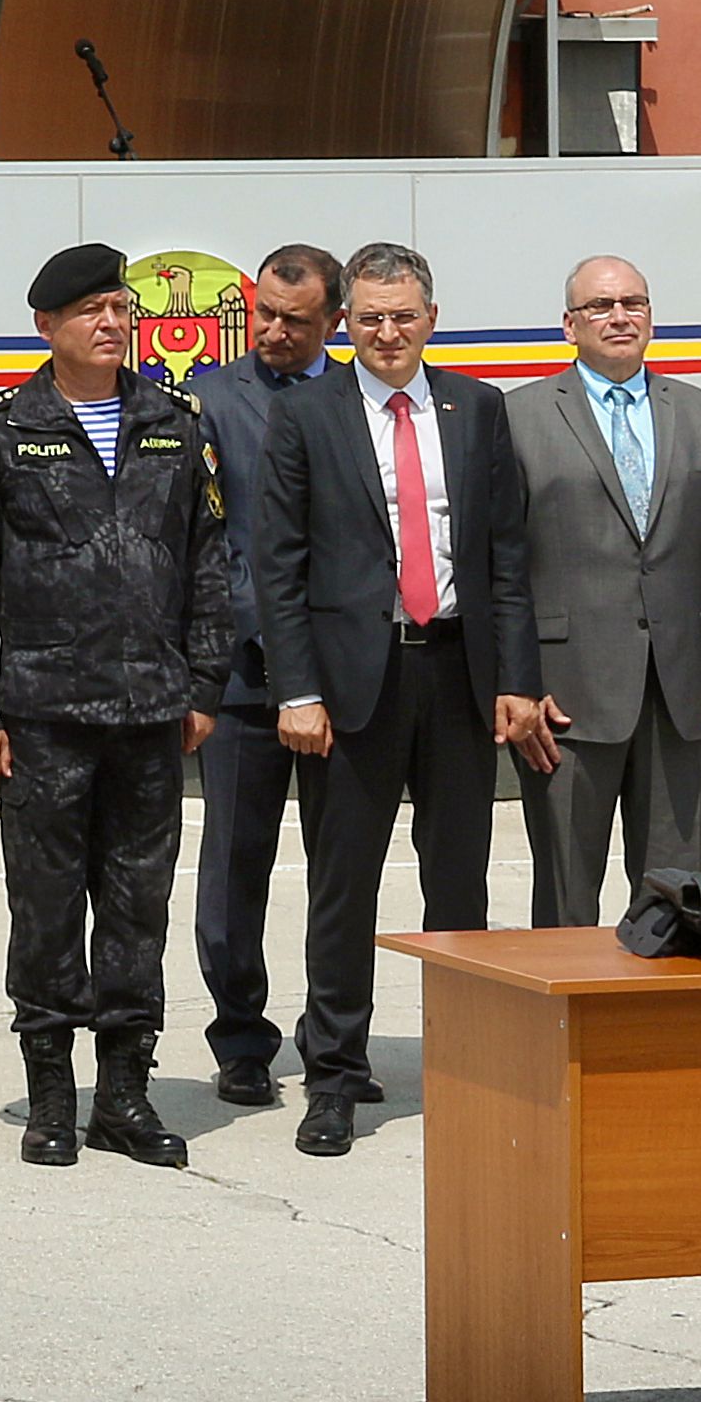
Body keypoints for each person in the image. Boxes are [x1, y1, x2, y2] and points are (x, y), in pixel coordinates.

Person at [244, 239, 543, 1159]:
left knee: (459, 885)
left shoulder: (478, 408)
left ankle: (464, 1067)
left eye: (403, 315)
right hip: (348, 688)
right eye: (370, 317)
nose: (387, 332)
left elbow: (506, 558)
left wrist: (517, 680)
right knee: (345, 889)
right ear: (347, 323)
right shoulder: (306, 415)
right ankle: (335, 1075)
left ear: (431, 319)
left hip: (457, 675)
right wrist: (296, 689)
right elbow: (278, 567)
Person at [0, 242, 230, 1172]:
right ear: (47, 326)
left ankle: (125, 1095)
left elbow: (210, 560)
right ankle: (52, 1096)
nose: (110, 322)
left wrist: (206, 683)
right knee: (48, 909)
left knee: (140, 909)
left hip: (150, 713)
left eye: (118, 306)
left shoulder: (173, 421)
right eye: (89, 310)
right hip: (44, 716)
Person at [501, 255, 701, 925]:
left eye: (634, 303)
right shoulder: (519, 416)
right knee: (565, 903)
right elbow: (502, 565)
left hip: (688, 700)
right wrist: (519, 683)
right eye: (601, 305)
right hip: (566, 701)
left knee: (679, 902)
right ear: (569, 325)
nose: (619, 316)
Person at [185, 244, 342, 1105]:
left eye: (297, 320)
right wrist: (270, 642)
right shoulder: (209, 400)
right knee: (234, 866)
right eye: (265, 315)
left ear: (335, 321)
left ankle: (332, 1037)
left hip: (343, 677)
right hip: (242, 677)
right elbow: (206, 540)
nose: (276, 332)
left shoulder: (358, 396)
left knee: (338, 868)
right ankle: (241, 1037)